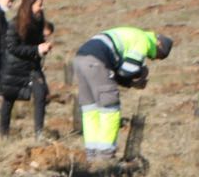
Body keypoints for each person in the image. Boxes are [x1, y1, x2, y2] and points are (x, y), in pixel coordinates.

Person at [71, 27, 174, 159]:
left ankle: (92, 155)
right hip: (98, 61)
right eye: (157, 56)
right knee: (110, 108)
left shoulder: (133, 34)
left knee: (90, 109)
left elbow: (118, 73)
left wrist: (131, 84)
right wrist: (141, 72)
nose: (152, 58)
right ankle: (105, 155)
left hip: (81, 58)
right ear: (159, 44)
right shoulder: (143, 41)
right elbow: (127, 71)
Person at [0, 0, 53, 138]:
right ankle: (3, 134)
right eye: (39, 4)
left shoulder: (39, 22)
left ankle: (39, 134)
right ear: (30, 6)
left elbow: (35, 44)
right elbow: (12, 47)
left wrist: (42, 50)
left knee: (41, 95)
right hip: (14, 67)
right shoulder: (14, 24)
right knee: (9, 99)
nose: (42, 7)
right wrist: (37, 49)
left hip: (33, 67)